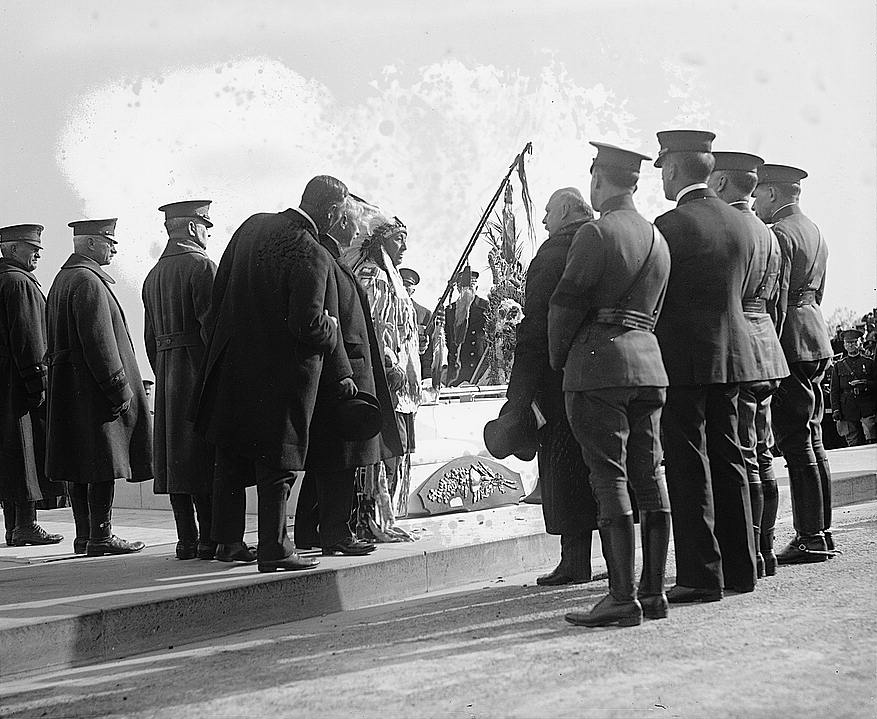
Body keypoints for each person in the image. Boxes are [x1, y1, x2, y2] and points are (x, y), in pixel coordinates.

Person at [194, 176, 353, 573]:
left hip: (232, 368)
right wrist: (332, 327)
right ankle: (275, 548)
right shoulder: (312, 253)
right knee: (277, 464)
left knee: (230, 454)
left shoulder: (251, 227)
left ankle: (228, 542)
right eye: (342, 213)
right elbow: (308, 326)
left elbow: (217, 298)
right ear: (331, 212)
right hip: (280, 378)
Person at [549, 143, 672, 627]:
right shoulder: (658, 239)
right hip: (649, 367)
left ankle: (621, 598)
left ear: (599, 178)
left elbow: (564, 306)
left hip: (599, 368)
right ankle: (653, 592)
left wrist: (561, 360)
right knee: (650, 475)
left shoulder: (596, 234)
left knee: (610, 479)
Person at [653, 130, 762, 603]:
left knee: (687, 464)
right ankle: (742, 567)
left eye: (663, 168)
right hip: (734, 355)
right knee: (730, 456)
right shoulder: (742, 223)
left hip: (683, 358)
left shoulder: (669, 225)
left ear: (674, 169)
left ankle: (700, 575)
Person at [498, 187, 598, 586]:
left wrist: (518, 394)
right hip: (605, 370)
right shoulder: (605, 241)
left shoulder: (553, 253)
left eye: (547, 212)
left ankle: (574, 561)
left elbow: (535, 328)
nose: (543, 221)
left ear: (565, 211)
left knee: (563, 466)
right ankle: (617, 558)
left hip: (559, 377)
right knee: (602, 467)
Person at [295, 195, 403, 555]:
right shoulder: (325, 259)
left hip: (343, 372)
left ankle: (312, 532)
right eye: (351, 222)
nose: (357, 229)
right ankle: (336, 535)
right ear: (338, 222)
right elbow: (327, 322)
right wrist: (345, 372)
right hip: (345, 374)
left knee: (330, 460)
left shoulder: (332, 259)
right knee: (341, 459)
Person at [45, 218, 151, 555]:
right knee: (103, 462)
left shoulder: (63, 279)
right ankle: (102, 536)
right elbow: (100, 343)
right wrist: (119, 389)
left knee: (78, 463)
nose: (115, 247)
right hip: (93, 391)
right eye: (109, 240)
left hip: (69, 390)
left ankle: (85, 535)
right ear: (90, 244)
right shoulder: (89, 282)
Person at [708, 152, 790, 578]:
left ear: (721, 184)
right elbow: (777, 301)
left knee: (743, 452)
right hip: (767, 350)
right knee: (761, 453)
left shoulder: (728, 228)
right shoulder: (769, 233)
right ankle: (766, 549)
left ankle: (753, 552)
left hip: (738, 350)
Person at [754, 163, 836, 563]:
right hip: (816, 336)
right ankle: (822, 530)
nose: (754, 202)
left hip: (790, 343)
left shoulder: (780, 235)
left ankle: (810, 537)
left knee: (795, 440)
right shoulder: (816, 230)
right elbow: (818, 293)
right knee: (814, 437)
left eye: (758, 194)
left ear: (772, 193)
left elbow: (776, 301)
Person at [142, 200, 217, 560]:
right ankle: (210, 540)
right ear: (191, 228)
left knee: (176, 460)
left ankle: (186, 539)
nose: (207, 233)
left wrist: (166, 370)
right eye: (205, 225)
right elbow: (213, 331)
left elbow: (149, 338)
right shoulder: (201, 266)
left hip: (168, 374)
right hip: (198, 372)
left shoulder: (152, 276)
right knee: (204, 456)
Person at [349, 217, 422, 520]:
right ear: (380, 242)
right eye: (397, 239)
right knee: (384, 450)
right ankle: (371, 515)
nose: (404, 246)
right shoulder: (373, 278)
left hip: (401, 382)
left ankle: (384, 513)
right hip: (386, 379)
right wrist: (391, 363)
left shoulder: (390, 278)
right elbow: (374, 330)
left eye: (405, 238)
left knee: (397, 448)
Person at [0, 224, 64, 547]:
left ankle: (14, 526)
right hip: (18, 388)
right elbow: (29, 341)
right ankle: (25, 525)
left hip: (5, 385)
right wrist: (38, 384)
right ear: (11, 250)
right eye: (30, 246)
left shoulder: (5, 279)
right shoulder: (19, 283)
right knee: (23, 455)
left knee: (9, 457)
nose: (37, 251)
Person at [829, 328, 876, 446]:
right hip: (847, 408)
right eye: (848, 343)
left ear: (859, 343)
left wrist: (865, 384)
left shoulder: (869, 363)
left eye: (854, 342)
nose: (851, 345)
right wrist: (836, 409)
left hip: (867, 406)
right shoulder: (839, 366)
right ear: (844, 345)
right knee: (852, 441)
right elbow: (834, 391)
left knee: (872, 439)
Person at [445, 269, 489, 386]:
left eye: (471, 286)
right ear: (458, 289)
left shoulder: (486, 308)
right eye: (463, 287)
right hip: (457, 370)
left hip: (478, 368)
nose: (467, 290)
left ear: (477, 287)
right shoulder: (450, 311)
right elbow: (448, 341)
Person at [399, 267, 434, 381]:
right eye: (401, 283)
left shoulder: (424, 314)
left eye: (407, 285)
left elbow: (428, 353)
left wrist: (427, 377)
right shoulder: (386, 308)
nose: (403, 288)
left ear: (413, 291)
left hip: (413, 371)